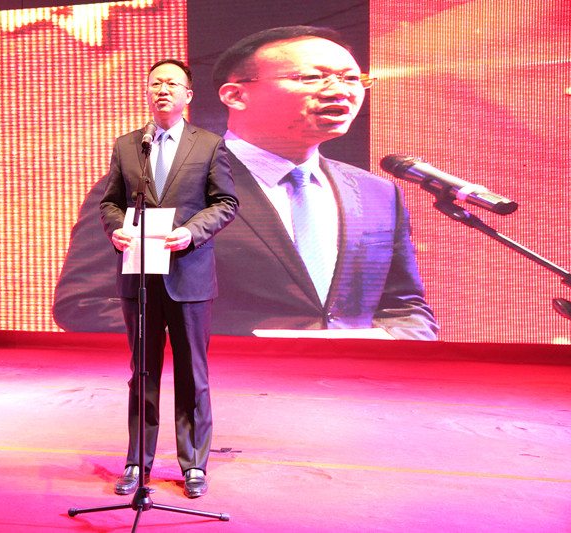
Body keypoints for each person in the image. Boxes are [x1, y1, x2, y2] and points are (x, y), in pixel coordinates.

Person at [53, 26, 437, 341]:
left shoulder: (376, 192)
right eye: (311, 77)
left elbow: (405, 307)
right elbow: (92, 305)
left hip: (364, 392)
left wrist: (394, 341)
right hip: (229, 391)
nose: (341, 90)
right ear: (235, 95)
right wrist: (246, 346)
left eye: (352, 78)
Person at [100, 59, 238, 498]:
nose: (163, 89)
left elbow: (226, 202)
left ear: (187, 96)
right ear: (147, 91)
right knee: (141, 372)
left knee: (192, 373)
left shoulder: (209, 145)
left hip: (188, 275)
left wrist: (192, 231)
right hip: (139, 275)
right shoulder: (128, 145)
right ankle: (136, 461)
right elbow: (110, 203)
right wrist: (116, 228)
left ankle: (193, 463)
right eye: (156, 83)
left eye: (172, 83)